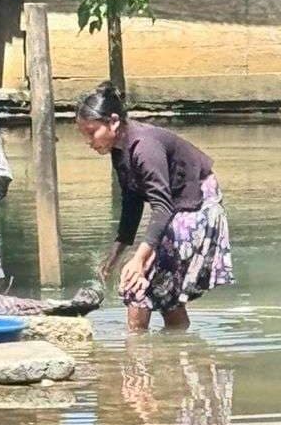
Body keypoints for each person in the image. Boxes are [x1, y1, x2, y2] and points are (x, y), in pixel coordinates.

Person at [75, 82, 233, 331]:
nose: (88, 141)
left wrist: (139, 258)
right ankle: (174, 348)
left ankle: (135, 354)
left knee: (139, 280)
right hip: (177, 205)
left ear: (114, 122)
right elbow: (132, 199)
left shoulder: (144, 147)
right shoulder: (120, 149)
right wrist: (117, 250)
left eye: (92, 132)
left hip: (198, 205)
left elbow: (162, 206)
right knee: (160, 285)